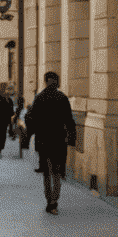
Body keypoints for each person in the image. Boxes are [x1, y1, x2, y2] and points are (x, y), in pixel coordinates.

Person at [25, 70, 77, 215]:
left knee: (47, 172)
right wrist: (72, 138)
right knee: (57, 172)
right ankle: (54, 201)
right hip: (59, 140)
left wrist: (29, 136)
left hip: (44, 140)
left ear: (45, 81)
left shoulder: (39, 98)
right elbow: (69, 120)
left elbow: (30, 118)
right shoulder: (62, 98)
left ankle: (50, 200)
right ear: (57, 82)